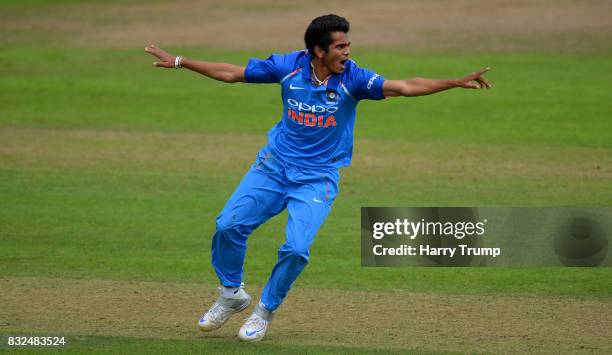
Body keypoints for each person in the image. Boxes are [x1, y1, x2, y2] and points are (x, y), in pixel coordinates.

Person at [144, 14, 491, 342]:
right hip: (273, 167)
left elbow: (404, 86)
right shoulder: (288, 67)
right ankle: (231, 294)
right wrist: (180, 61)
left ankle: (264, 312)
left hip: (317, 178)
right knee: (227, 227)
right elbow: (233, 73)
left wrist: (453, 82)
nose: (347, 52)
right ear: (318, 51)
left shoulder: (354, 78)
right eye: (340, 47)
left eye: (347, 45)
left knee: (296, 248)